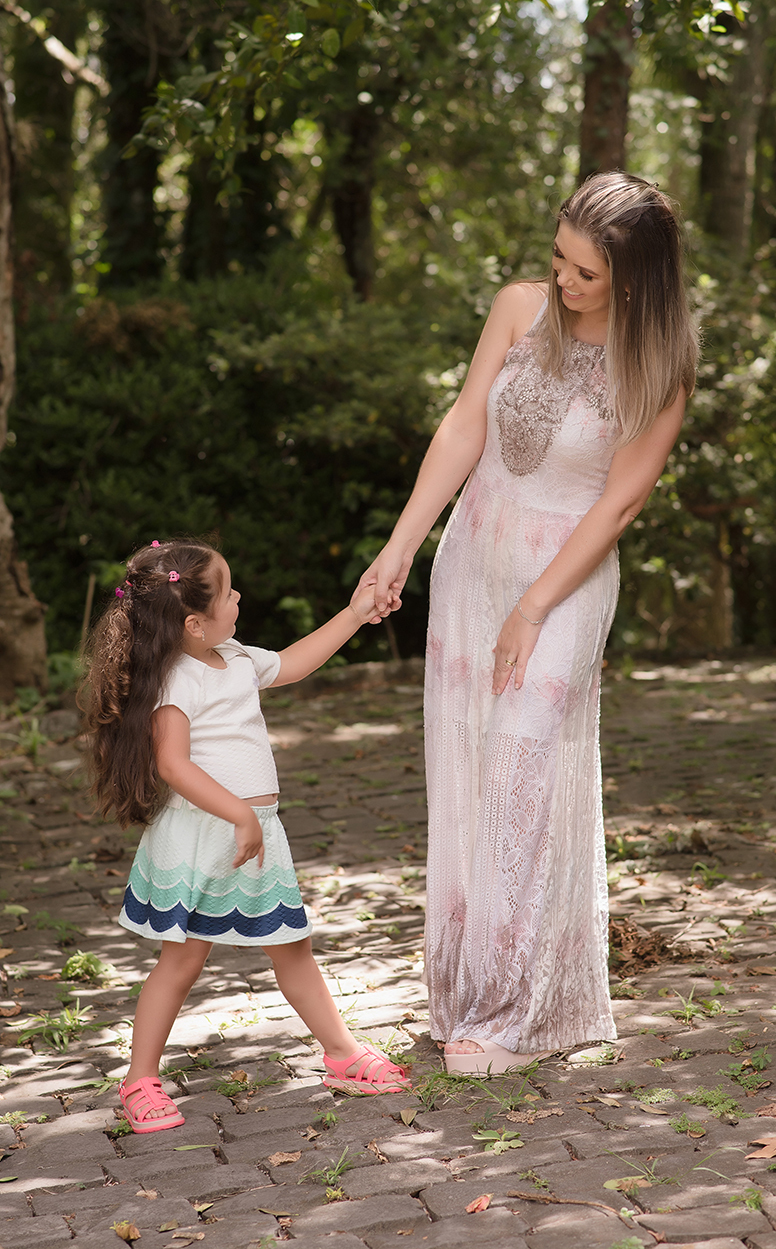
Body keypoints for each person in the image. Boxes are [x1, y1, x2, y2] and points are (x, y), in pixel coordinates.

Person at [355, 172, 699, 1075]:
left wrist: (536, 605)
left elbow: (620, 504)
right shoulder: (517, 309)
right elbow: (465, 426)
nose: (563, 281)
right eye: (559, 258)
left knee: (521, 767)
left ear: (634, 279)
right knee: (470, 768)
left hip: (565, 575)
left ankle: (508, 1012)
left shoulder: (662, 360)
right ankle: (466, 995)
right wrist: (400, 548)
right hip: (476, 556)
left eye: (585, 272)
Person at [83, 539, 409, 1132]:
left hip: (253, 833)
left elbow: (293, 662)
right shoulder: (175, 683)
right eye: (228, 590)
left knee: (293, 947)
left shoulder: (231, 657)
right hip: (205, 836)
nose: (238, 597)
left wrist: (357, 612)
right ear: (192, 622)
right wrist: (238, 814)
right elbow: (173, 766)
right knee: (179, 964)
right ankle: (139, 1081)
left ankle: (341, 1053)